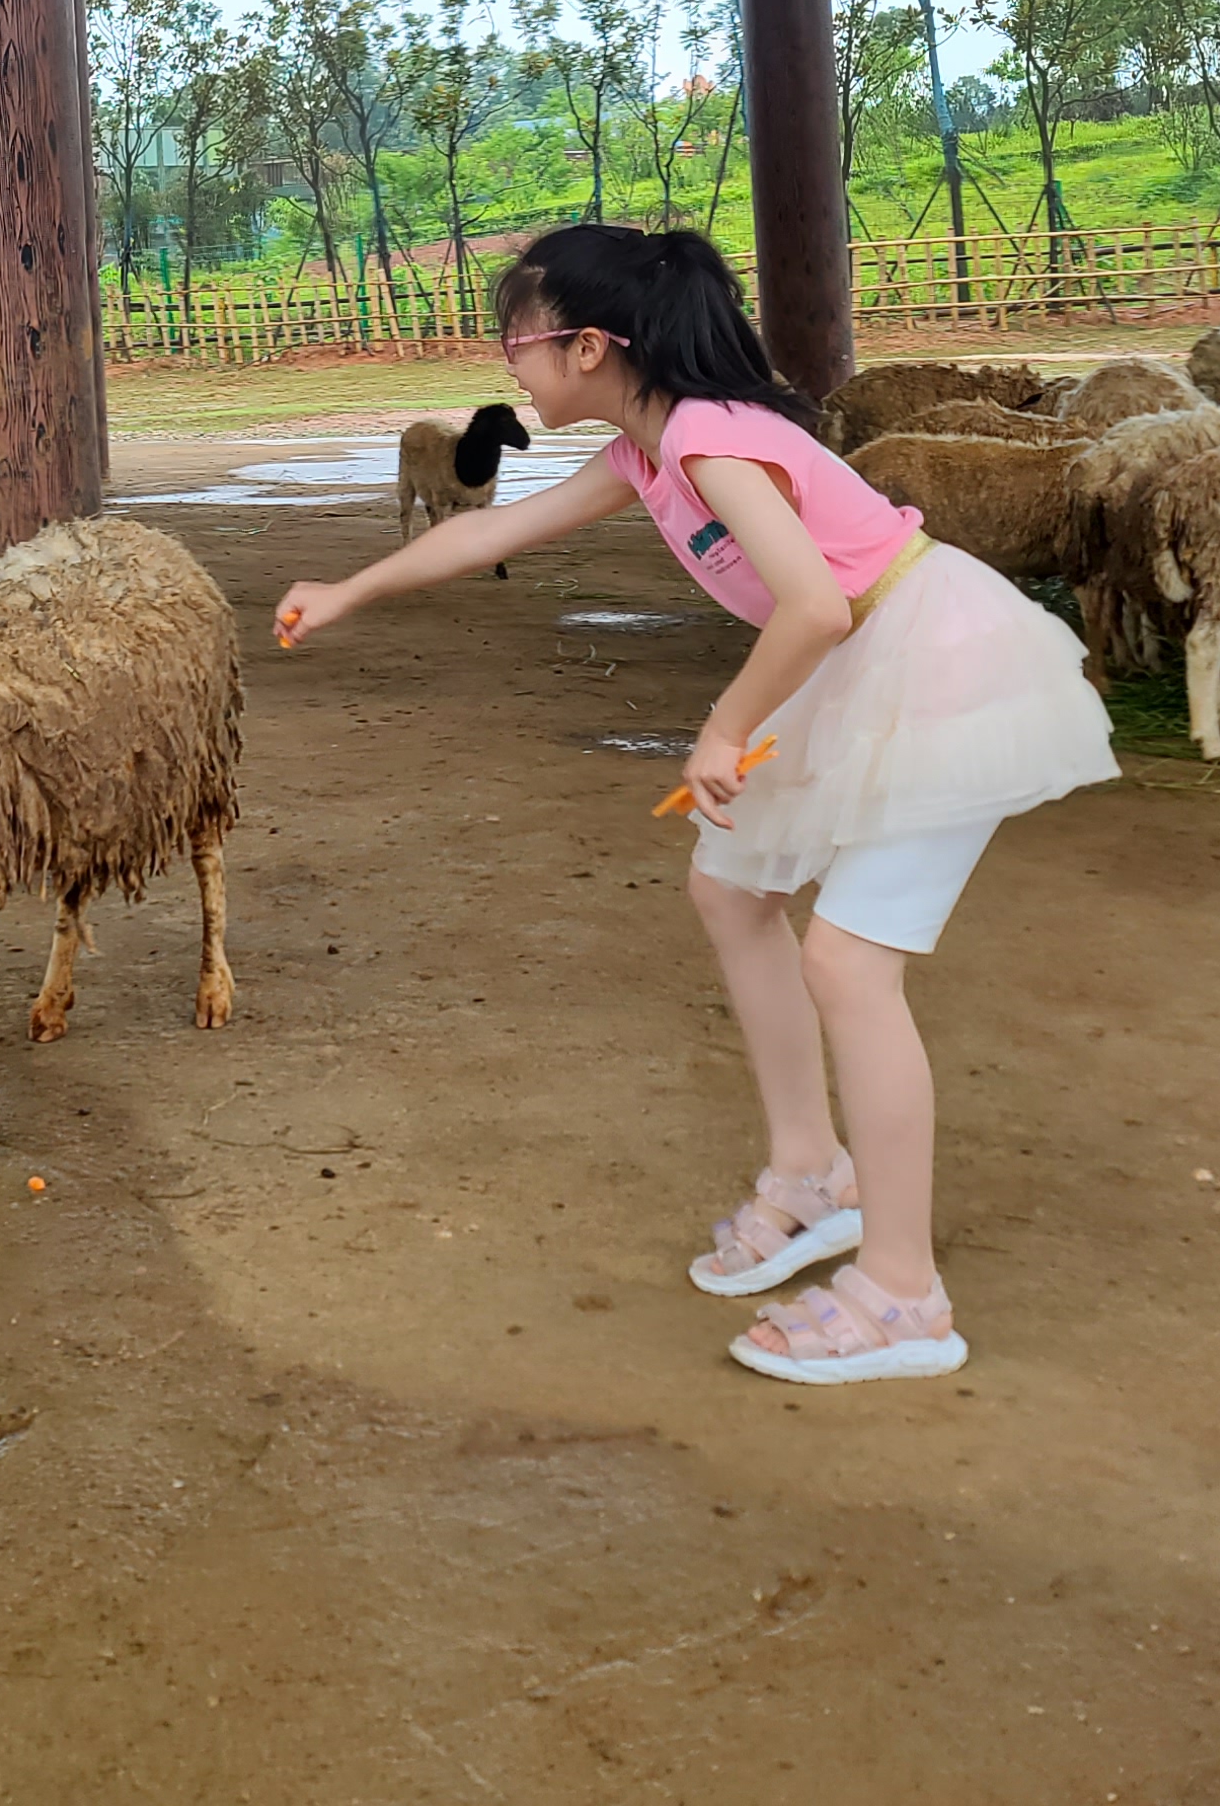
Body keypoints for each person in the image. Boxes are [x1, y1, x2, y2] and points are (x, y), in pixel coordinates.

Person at [273, 224, 1111, 1385]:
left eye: (515, 338)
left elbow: (814, 606)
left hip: (933, 660)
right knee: (730, 888)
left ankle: (903, 1292)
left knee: (850, 967)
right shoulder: (645, 449)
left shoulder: (714, 438)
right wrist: (349, 588)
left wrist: (724, 728)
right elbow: (499, 532)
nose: (505, 364)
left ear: (588, 346)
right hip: (851, 666)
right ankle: (812, 1171)